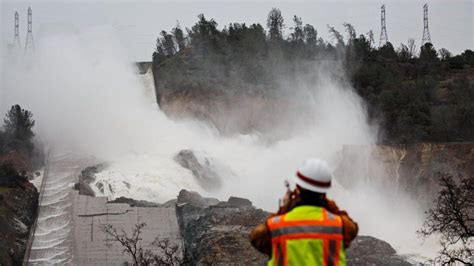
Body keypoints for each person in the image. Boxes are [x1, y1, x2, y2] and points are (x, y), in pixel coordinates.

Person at [249, 158, 358, 266]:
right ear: (324, 192)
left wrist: (284, 208)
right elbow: (353, 228)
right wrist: (328, 203)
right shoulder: (339, 225)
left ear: (298, 187)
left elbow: (255, 238)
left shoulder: (276, 227)